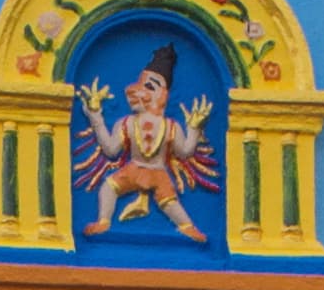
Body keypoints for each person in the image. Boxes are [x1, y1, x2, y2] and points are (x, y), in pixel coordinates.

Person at [75, 48, 217, 242]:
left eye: (150, 87)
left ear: (163, 95)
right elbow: (110, 149)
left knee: (170, 203)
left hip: (159, 173)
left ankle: (188, 227)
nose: (139, 92)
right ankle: (103, 222)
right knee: (108, 188)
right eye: (141, 85)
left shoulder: (171, 127)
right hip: (132, 169)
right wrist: (96, 116)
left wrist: (193, 128)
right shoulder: (126, 124)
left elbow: (185, 152)